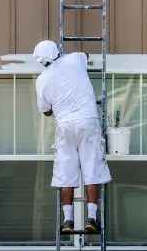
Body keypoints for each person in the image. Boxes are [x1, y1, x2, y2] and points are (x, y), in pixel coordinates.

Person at [33, 40, 111, 234]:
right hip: (88, 120)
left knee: (66, 174)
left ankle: (68, 221)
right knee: (92, 168)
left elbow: (46, 111)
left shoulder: (41, 80)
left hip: (65, 125)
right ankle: (92, 218)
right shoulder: (75, 59)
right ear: (57, 51)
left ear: (41, 61)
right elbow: (86, 56)